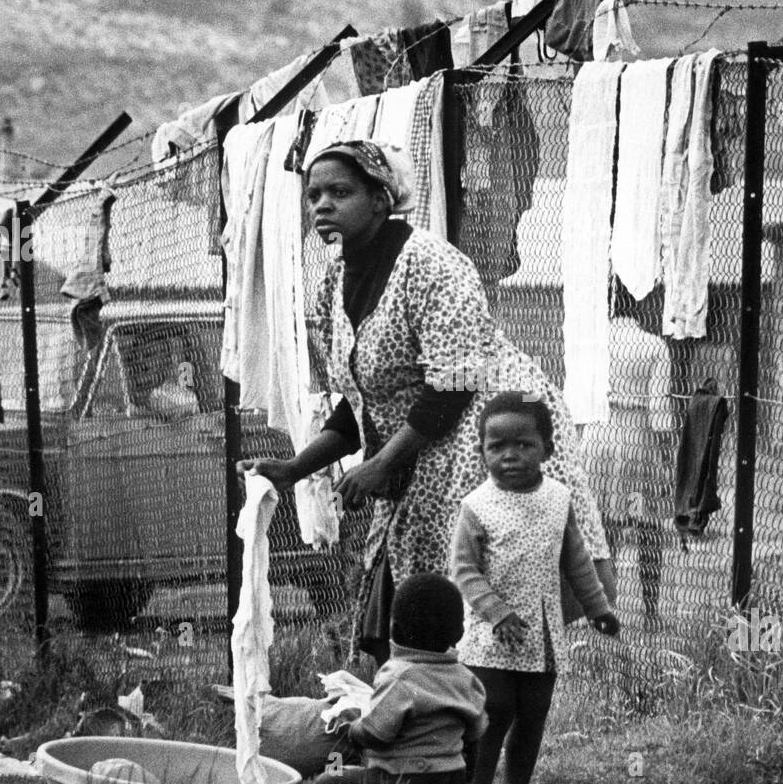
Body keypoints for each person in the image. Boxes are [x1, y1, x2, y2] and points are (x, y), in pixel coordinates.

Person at [237, 140, 616, 666]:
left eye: (339, 192)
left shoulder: (432, 264)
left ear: (380, 198)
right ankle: (423, 723)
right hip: (419, 443)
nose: (321, 204)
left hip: (481, 436)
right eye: (314, 194)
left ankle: (474, 724)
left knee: (478, 601)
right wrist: (296, 468)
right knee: (411, 606)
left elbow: (456, 383)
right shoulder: (333, 284)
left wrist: (381, 464)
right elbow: (361, 399)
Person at [450, 392, 620, 784]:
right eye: (497, 446)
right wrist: (497, 612)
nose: (510, 455)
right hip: (492, 636)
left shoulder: (559, 500)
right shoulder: (477, 506)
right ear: (482, 451)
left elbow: (577, 561)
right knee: (493, 711)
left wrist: (598, 608)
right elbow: (464, 569)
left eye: (523, 445)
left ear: (548, 448)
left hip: (541, 636)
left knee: (532, 714)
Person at [295, 572, 487, 784]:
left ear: (394, 628)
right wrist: (464, 780)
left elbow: (377, 734)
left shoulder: (398, 677)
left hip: (402, 781)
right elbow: (475, 735)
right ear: (459, 632)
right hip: (449, 780)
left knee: (329, 779)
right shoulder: (467, 678)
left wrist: (352, 730)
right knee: (352, 773)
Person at [580, 279, 676, 626]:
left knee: (603, 526)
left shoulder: (592, 343)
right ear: (640, 304)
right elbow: (660, 411)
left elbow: (575, 394)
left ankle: (604, 607)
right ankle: (651, 612)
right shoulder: (654, 347)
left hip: (598, 436)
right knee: (647, 524)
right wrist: (668, 457)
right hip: (638, 439)